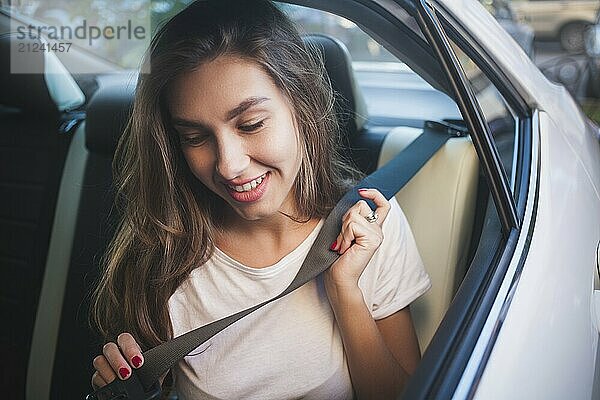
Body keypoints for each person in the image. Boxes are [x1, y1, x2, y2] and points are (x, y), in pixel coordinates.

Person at [90, 0, 431, 399]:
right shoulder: (162, 250)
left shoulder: (369, 227)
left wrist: (345, 291)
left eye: (250, 124)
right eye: (195, 138)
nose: (229, 166)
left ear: (302, 107)